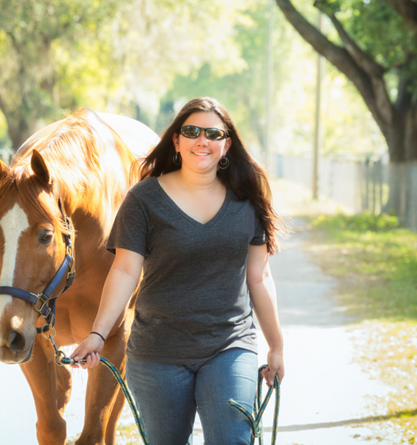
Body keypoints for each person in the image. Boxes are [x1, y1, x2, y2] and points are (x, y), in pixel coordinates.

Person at [70, 97, 285, 444]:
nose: (203, 140)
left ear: (226, 143)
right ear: (177, 141)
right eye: (192, 131)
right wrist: (98, 334)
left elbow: (259, 276)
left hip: (230, 345)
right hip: (158, 353)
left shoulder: (247, 200)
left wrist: (276, 346)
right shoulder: (143, 200)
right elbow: (125, 271)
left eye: (214, 133)